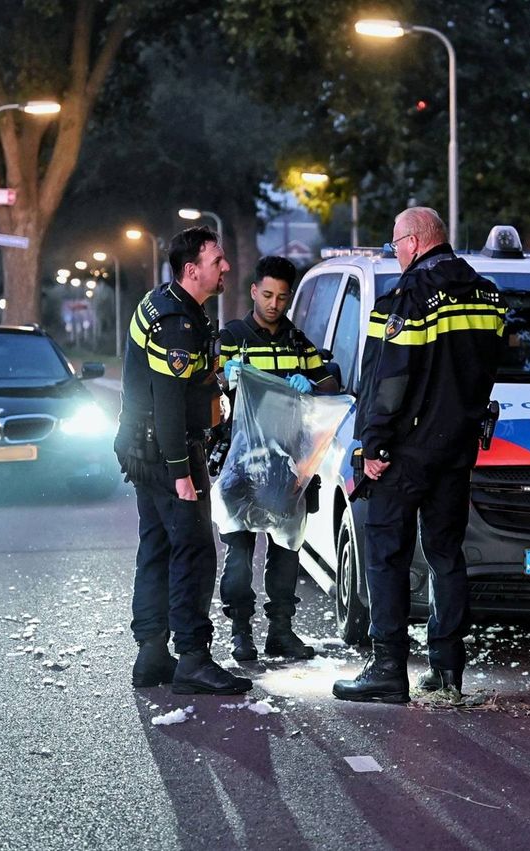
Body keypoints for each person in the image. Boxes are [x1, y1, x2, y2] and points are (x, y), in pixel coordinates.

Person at [332, 207, 506, 704]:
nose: (395, 253)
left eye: (395, 244)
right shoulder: (486, 293)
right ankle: (447, 670)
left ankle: (388, 668)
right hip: (457, 447)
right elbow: (484, 369)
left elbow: (389, 378)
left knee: (387, 553)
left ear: (412, 241)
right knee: (446, 555)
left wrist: (373, 444)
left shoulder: (408, 296)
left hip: (406, 450)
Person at [116, 225, 251, 696]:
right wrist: (182, 474)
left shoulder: (160, 302)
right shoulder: (178, 322)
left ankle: (152, 654)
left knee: (156, 548)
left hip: (140, 449)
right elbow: (169, 401)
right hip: (166, 451)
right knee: (193, 551)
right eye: (218, 261)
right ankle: (193, 658)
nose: (226, 268)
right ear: (192, 270)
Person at [217, 256, 338, 662]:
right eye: (267, 294)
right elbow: (207, 381)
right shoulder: (232, 337)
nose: (274, 304)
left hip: (288, 469)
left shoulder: (298, 342)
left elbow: (328, 383)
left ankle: (280, 631)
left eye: (282, 297)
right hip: (241, 466)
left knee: (287, 552)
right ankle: (240, 633)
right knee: (238, 555)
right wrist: (224, 376)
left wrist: (313, 384)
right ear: (253, 291)